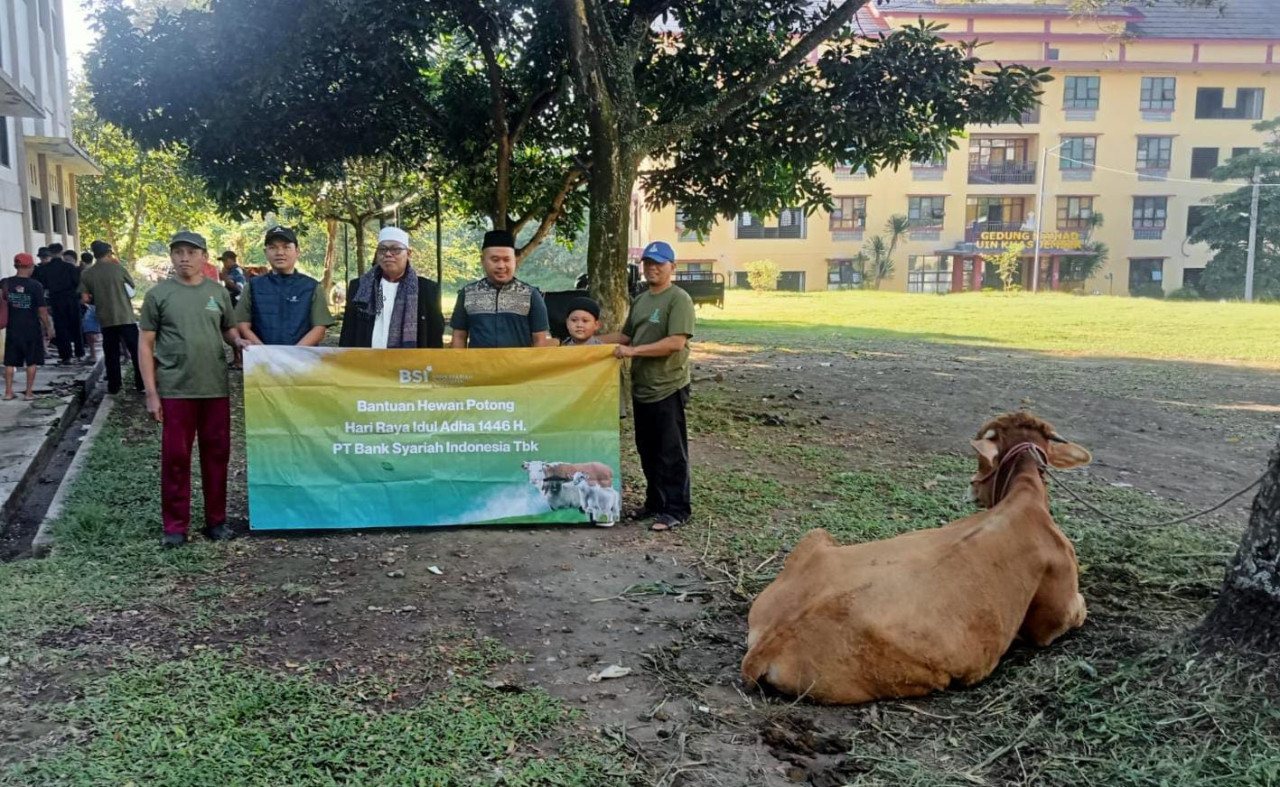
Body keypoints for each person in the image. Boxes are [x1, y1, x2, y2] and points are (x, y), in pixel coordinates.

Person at [138, 231, 246, 547]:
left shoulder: (218, 292)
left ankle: (216, 521)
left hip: (214, 387)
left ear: (204, 257)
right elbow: (145, 344)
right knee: (176, 458)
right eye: (178, 252)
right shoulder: (159, 295)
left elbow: (227, 329)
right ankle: (175, 526)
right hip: (175, 388)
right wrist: (151, 392)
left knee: (217, 455)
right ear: (171, 257)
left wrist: (237, 341)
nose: (184, 257)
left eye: (191, 252)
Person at [601, 241, 695, 532]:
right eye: (647, 263)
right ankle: (655, 502)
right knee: (647, 448)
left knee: (670, 450)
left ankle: (677, 509)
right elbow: (626, 336)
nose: (652, 268)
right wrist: (586, 343)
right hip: (642, 387)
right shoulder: (641, 299)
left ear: (672, 267)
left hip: (668, 386)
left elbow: (675, 343)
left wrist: (633, 353)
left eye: (659, 263)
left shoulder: (678, 299)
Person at [339, 227, 444, 348]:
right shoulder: (360, 286)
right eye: (382, 249)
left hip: (411, 364)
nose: (388, 254)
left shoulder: (427, 289)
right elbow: (348, 333)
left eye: (395, 249)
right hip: (366, 362)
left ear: (408, 254)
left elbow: (435, 335)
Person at [450, 229, 552, 349]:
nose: (501, 266)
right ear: (483, 260)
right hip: (478, 366)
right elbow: (459, 337)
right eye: (495, 260)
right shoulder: (467, 294)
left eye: (507, 260)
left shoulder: (531, 295)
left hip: (518, 366)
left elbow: (540, 340)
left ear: (515, 260)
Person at [235, 226, 333, 346]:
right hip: (262, 360)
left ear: (297, 251)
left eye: (286, 247)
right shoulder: (253, 286)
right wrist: (264, 351)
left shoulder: (311, 287)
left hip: (301, 360)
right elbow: (243, 325)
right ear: (265, 252)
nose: (280, 253)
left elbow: (319, 328)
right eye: (273, 248)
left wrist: (290, 354)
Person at [80, 240, 144, 394]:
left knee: (111, 353)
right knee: (136, 352)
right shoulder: (118, 269)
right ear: (108, 253)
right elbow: (132, 287)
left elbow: (85, 299)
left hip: (105, 318)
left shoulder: (87, 273)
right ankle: (141, 384)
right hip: (125, 317)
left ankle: (114, 386)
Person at [3, 254, 54, 401]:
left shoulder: (5, 283)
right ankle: (29, 393)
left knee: (10, 361)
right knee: (31, 361)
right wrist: (48, 327)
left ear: (16, 266)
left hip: (12, 328)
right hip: (31, 328)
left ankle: (8, 392)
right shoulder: (35, 286)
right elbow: (42, 311)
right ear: (30, 267)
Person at [32, 242, 83, 364]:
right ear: (61, 252)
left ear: (50, 253)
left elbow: (42, 285)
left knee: (61, 327)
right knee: (76, 325)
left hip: (56, 300)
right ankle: (79, 353)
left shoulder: (45, 269)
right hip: (71, 299)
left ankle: (66, 356)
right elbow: (77, 283)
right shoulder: (70, 267)